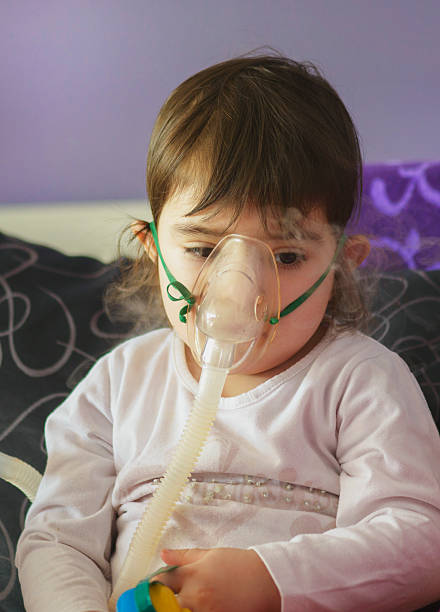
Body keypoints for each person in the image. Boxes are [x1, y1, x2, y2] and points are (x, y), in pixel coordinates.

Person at [16, 54, 440, 612]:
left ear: (341, 265)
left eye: (286, 254)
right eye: (201, 248)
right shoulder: (119, 385)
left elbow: (418, 542)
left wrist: (270, 581)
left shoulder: (360, 381)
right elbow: (57, 540)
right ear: (152, 250)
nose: (239, 288)